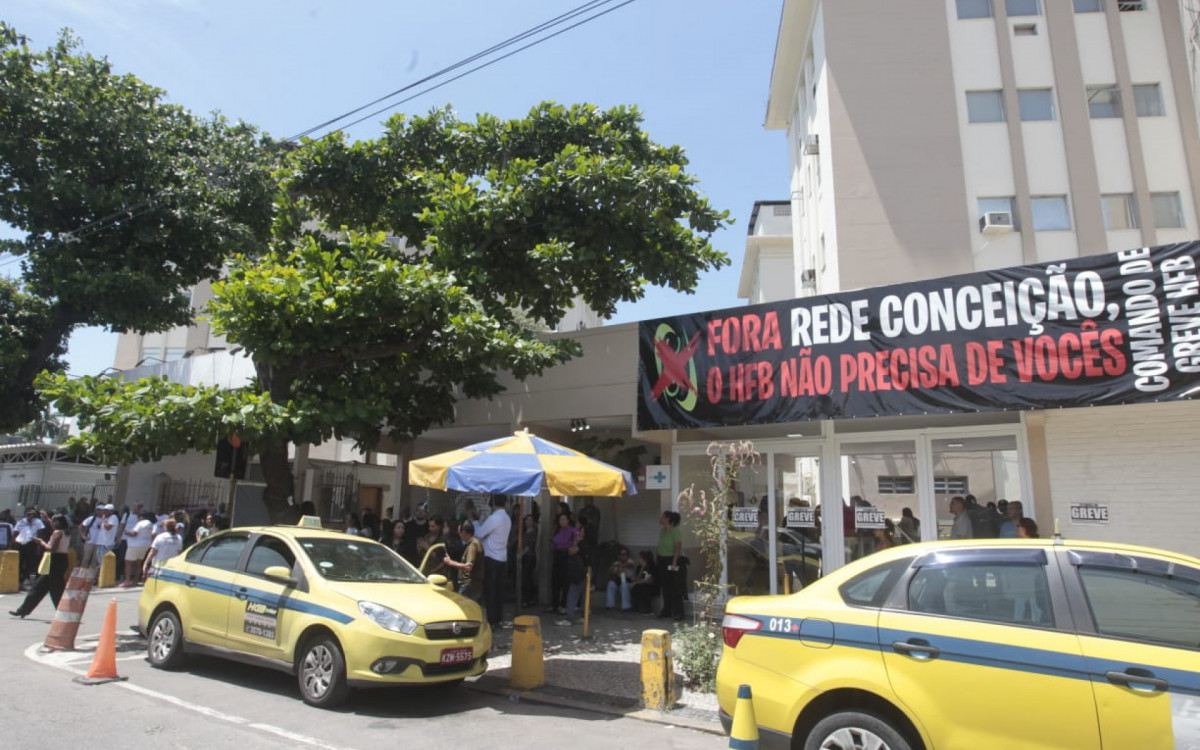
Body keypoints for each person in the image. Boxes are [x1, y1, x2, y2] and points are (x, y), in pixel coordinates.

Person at [9, 514, 70, 618]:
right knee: (38, 587)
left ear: (57, 523)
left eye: (53, 522)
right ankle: (23, 610)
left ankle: (64, 613)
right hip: (62, 560)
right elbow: (53, 526)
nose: (51, 524)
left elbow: (51, 548)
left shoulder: (57, 533)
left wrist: (40, 542)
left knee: (56, 589)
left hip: (55, 560)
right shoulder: (66, 532)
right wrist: (47, 518)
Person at [475, 495, 512, 629]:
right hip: (502, 556)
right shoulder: (507, 518)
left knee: (490, 590)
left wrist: (479, 521)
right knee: (498, 590)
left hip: (491, 557)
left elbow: (479, 533)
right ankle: (498, 618)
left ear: (493, 503)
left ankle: (492, 620)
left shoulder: (494, 518)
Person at [546, 511, 580, 614]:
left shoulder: (571, 530)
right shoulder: (558, 530)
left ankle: (563, 604)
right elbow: (552, 540)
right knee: (555, 581)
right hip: (557, 555)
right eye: (560, 519)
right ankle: (554, 604)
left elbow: (578, 537)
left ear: (568, 520)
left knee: (565, 582)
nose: (562, 521)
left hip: (566, 556)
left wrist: (573, 545)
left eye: (564, 519)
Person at [443, 520, 483, 605]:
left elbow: (468, 566)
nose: (459, 535)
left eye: (459, 532)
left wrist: (450, 563)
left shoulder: (473, 545)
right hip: (471, 585)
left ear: (464, 532)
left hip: (470, 586)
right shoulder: (472, 544)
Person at [657, 510, 684, 621]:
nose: (661, 518)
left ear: (668, 519)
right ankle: (666, 610)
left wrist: (674, 561)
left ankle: (678, 612)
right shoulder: (662, 531)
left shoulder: (675, 531)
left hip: (672, 559)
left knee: (675, 587)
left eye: (662, 516)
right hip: (662, 560)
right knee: (665, 586)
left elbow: (678, 547)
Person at [557, 535, 588, 626]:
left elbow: (575, 571)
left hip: (577, 580)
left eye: (572, 547)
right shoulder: (582, 556)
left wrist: (575, 580)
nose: (569, 549)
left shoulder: (576, 558)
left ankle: (568, 618)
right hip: (582, 578)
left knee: (571, 597)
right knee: (583, 599)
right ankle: (584, 616)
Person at [120, 511, 156, 587]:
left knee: (128, 562)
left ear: (142, 517)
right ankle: (135, 580)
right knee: (138, 563)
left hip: (135, 545)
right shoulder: (151, 524)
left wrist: (126, 532)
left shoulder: (141, 523)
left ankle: (127, 580)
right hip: (145, 545)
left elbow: (134, 533)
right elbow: (153, 535)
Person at [14, 507, 46, 585]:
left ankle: (25, 578)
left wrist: (39, 545)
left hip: (31, 544)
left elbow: (40, 533)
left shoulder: (38, 522)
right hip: (21, 544)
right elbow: (15, 532)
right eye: (29, 514)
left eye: (32, 514)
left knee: (29, 562)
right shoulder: (21, 522)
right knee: (20, 562)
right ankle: (18, 579)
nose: (30, 515)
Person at [578, 496, 601, 588]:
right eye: (585, 500)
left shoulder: (595, 511)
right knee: (582, 562)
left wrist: (587, 522)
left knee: (592, 562)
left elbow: (594, 524)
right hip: (582, 541)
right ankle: (583, 581)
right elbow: (579, 523)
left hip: (592, 540)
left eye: (588, 500)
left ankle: (592, 582)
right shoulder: (582, 511)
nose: (586, 501)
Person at [605, 547, 635, 611]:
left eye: (625, 555)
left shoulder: (630, 561)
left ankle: (626, 607)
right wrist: (615, 570)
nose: (623, 556)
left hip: (628, 580)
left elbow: (629, 565)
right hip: (618, 580)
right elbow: (610, 571)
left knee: (624, 586)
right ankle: (609, 605)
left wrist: (619, 566)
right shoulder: (616, 563)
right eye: (621, 555)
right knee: (611, 584)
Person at [630, 550, 658, 614]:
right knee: (636, 587)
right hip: (642, 585)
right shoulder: (639, 567)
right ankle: (637, 607)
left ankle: (647, 609)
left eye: (640, 558)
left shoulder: (652, 567)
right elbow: (637, 579)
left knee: (643, 588)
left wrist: (637, 582)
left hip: (652, 586)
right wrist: (642, 568)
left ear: (645, 559)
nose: (639, 560)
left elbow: (650, 580)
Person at [520, 513, 538, 607]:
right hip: (524, 557)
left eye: (530, 520)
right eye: (527, 520)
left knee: (528, 578)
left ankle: (528, 599)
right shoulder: (523, 532)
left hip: (530, 557)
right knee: (524, 578)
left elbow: (529, 546)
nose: (528, 522)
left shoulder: (533, 533)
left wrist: (521, 554)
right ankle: (526, 598)